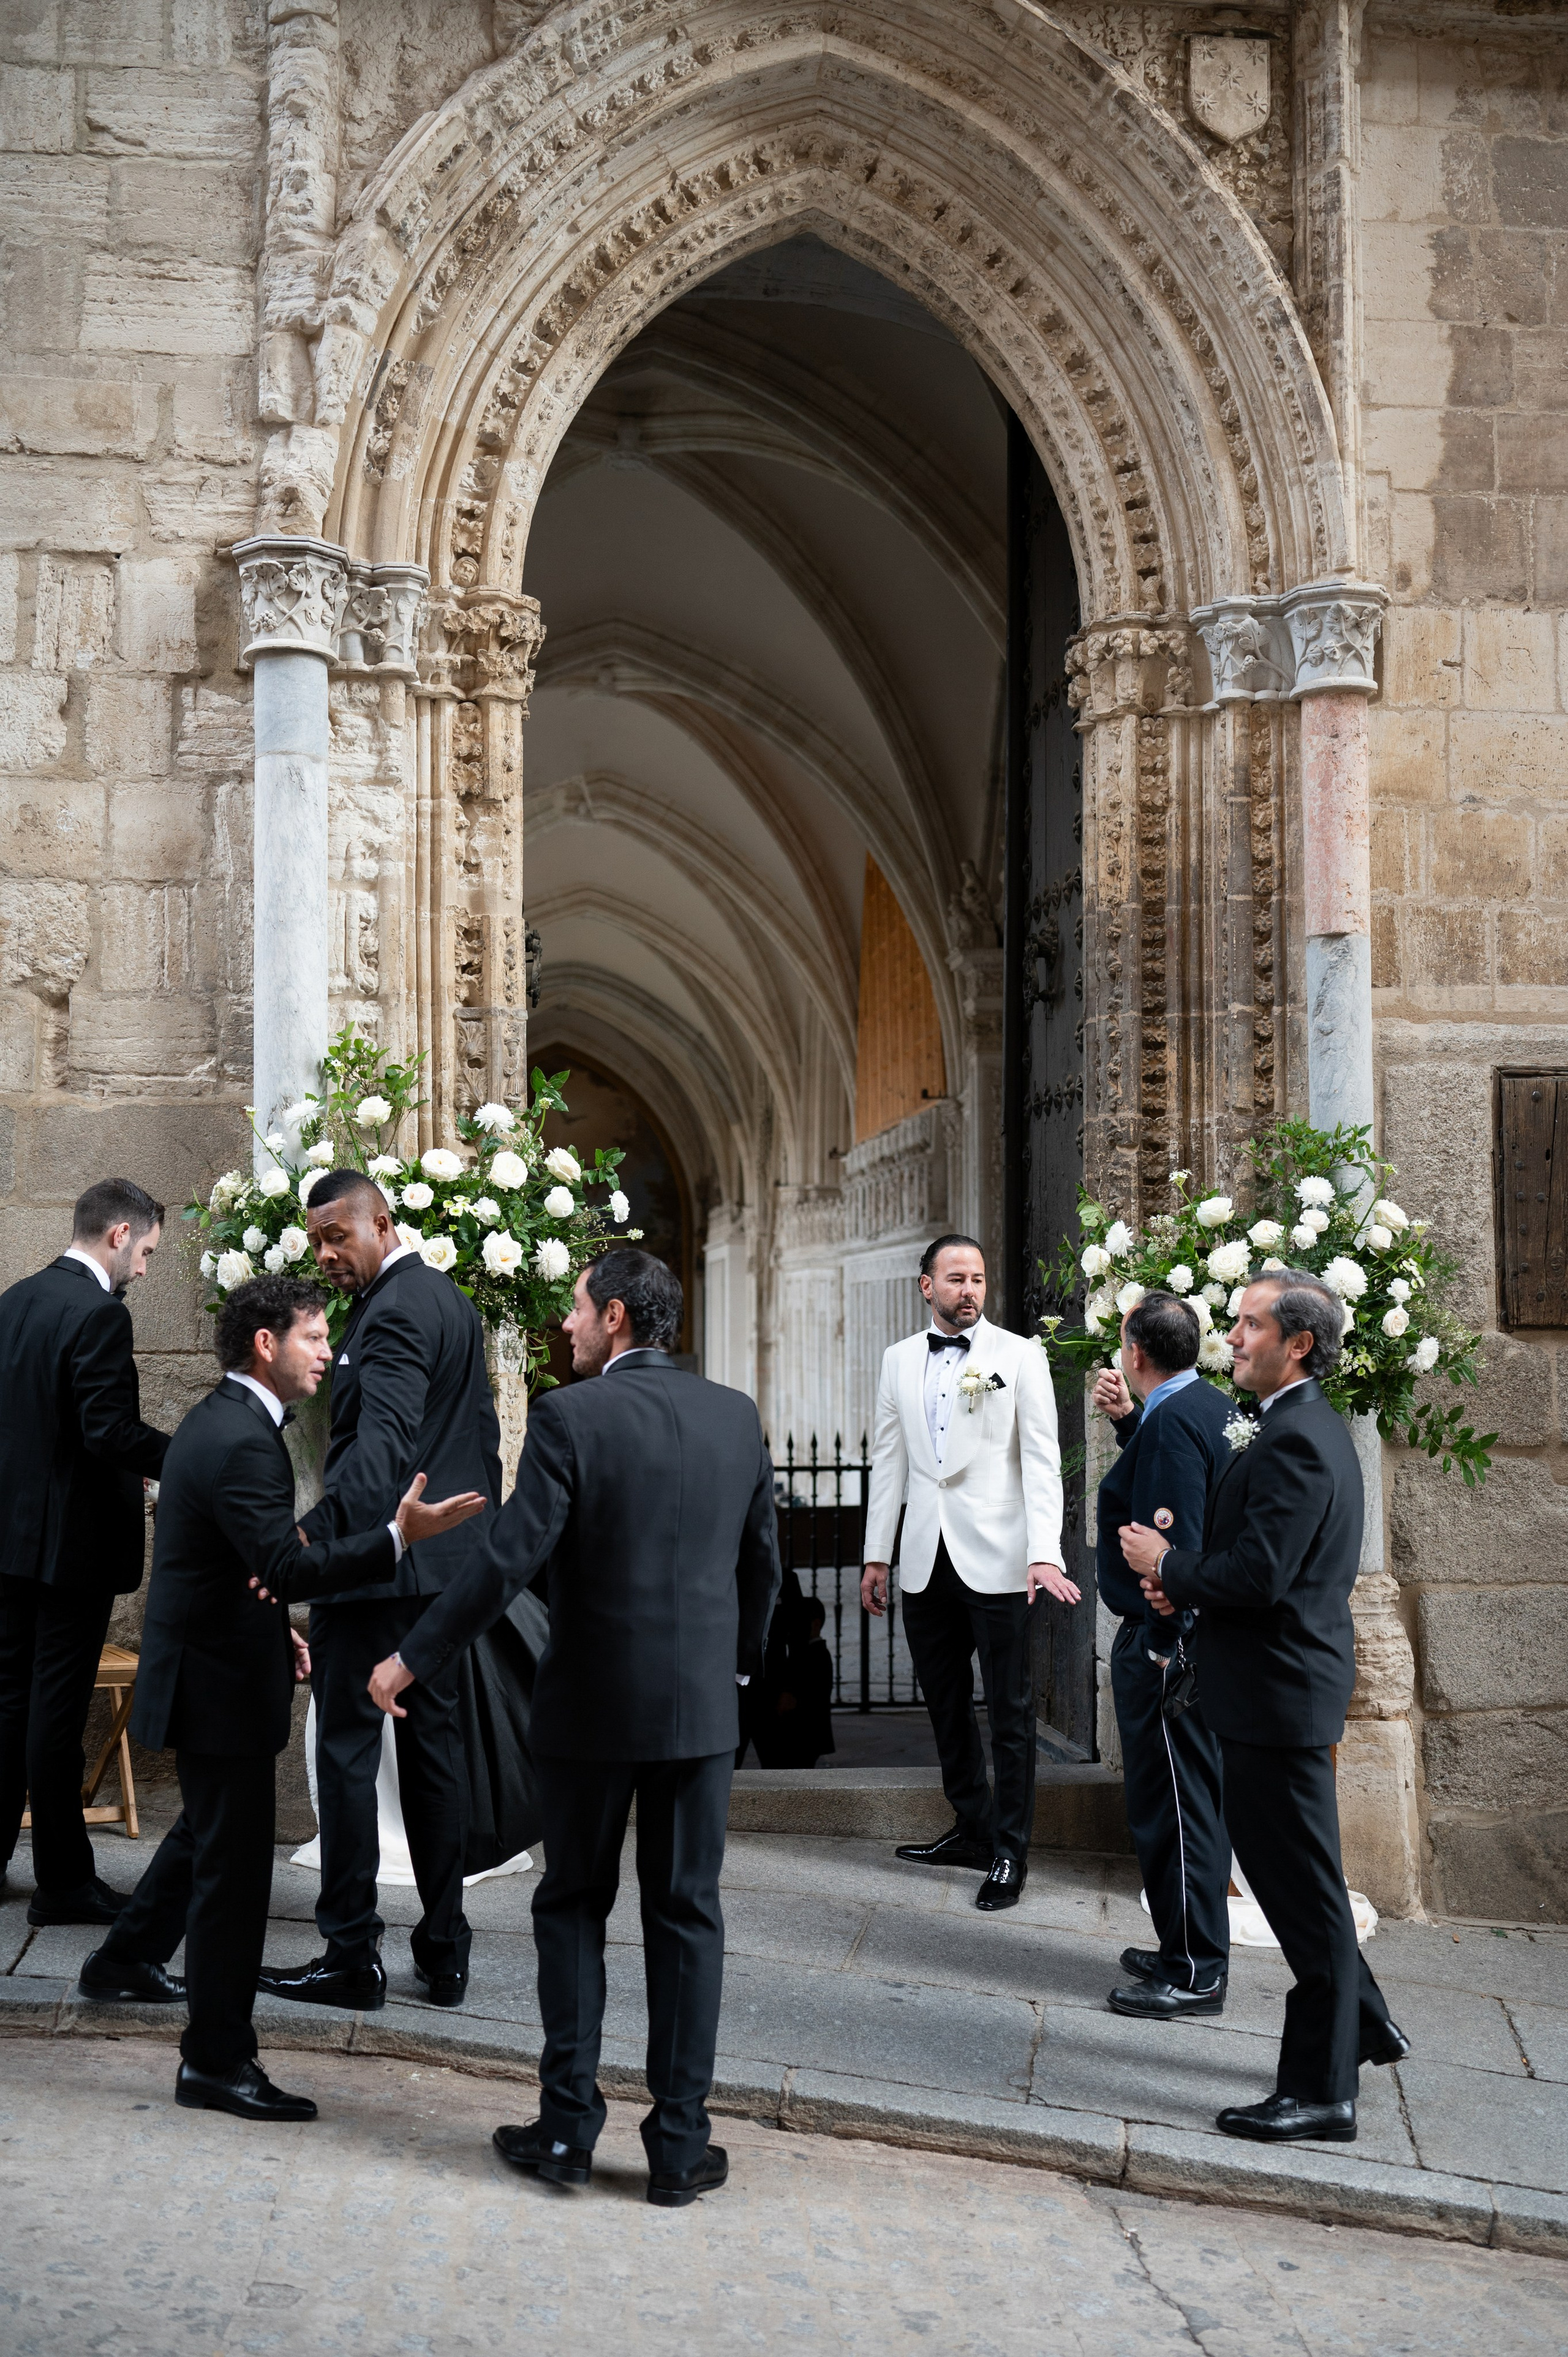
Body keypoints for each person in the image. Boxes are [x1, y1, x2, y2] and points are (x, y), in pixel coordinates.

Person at [368, 1248, 780, 2209]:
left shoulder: (568, 1417)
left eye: (579, 1311)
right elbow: (763, 1564)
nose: (567, 1326)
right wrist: (737, 1672)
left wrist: (411, 1655)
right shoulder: (736, 1416)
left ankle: (565, 2130)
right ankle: (679, 2146)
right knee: (688, 1915)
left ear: (619, 1320)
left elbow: (506, 1560)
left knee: (573, 1905)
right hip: (699, 1714)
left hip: (592, 1708)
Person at [75, 1275, 484, 2123]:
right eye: (313, 1335)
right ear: (267, 1344)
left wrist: (275, 1631)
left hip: (221, 1667)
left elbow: (240, 1569)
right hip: (215, 1688)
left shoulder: (228, 1426)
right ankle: (216, 2062)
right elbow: (285, 1568)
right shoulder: (240, 1441)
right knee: (233, 1881)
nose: (329, 1350)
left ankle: (123, 1959)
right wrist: (397, 1538)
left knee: (209, 1839)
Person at [1122, 1269, 1409, 2144]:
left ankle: (1322, 2093)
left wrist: (1167, 1567)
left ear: (1300, 1345)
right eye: (1236, 1324)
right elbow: (1257, 1562)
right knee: (1305, 1886)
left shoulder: (1296, 1439)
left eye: (1250, 1326)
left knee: (1302, 1899)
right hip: (1277, 1687)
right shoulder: (1297, 1427)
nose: (1234, 1339)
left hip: (1277, 1699)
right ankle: (1361, 2024)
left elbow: (1260, 1575)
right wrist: (1190, 1588)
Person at [257, 1169, 503, 2017]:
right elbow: (484, 1440)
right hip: (440, 1574)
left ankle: (350, 1955)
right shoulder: (449, 1300)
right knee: (435, 1754)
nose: (327, 1254)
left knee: (349, 1755)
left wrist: (311, 1538)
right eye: (316, 1241)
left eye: (339, 1236)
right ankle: (445, 1948)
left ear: (381, 1222)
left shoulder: (395, 1311)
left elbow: (380, 1454)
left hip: (379, 1571)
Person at [861, 1235, 1076, 1910]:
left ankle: (1010, 1850)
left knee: (1010, 1710)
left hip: (1001, 1557)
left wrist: (1045, 1549)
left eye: (978, 1278)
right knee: (944, 1703)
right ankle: (971, 1827)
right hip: (925, 1559)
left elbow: (1042, 1459)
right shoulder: (898, 1360)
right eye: (955, 1278)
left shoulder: (1019, 1354)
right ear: (925, 1285)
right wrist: (877, 1551)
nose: (969, 1289)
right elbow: (887, 1461)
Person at [0, 1179, 170, 1925]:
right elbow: (108, 1431)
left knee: (9, 1700)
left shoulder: (15, 1300)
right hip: (70, 1550)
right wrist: (190, 1454)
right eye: (147, 1253)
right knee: (55, 1711)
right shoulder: (98, 1314)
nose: (144, 1269)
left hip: (9, 1542)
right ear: (119, 1233)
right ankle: (64, 1882)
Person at [1090, 1292, 1233, 2021]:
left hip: (1167, 1645)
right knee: (1179, 1801)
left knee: (1175, 1806)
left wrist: (1157, 1643)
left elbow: (1170, 1532)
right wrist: (1127, 1423)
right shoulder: (1203, 1403)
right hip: (1186, 1637)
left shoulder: (1177, 1420)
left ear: (1135, 1353)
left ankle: (1195, 1968)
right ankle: (1179, 1942)